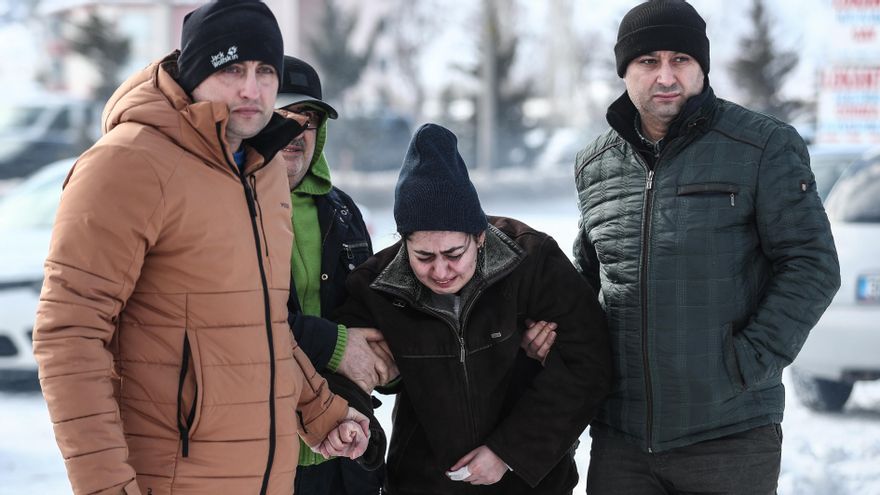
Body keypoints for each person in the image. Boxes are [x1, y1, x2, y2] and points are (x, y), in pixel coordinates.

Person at [32, 2, 368, 494]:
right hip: (169, 478)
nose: (252, 89)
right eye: (232, 68)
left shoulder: (264, 170)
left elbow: (260, 323)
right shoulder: (127, 164)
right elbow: (69, 338)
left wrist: (320, 411)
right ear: (192, 73)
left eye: (265, 71)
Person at [571, 1, 841, 493]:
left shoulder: (762, 146)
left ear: (702, 66)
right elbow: (589, 280)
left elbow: (812, 265)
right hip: (622, 442)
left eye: (681, 59)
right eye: (648, 62)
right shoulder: (595, 165)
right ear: (625, 71)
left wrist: (747, 362)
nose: (666, 76)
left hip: (729, 437)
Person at [333, 123, 613, 493]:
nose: (441, 271)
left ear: (479, 236)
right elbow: (346, 374)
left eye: (453, 254)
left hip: (531, 481)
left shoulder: (532, 261)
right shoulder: (376, 287)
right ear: (404, 243)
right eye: (423, 257)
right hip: (425, 481)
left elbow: (590, 361)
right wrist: (351, 420)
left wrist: (509, 452)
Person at [271, 55, 391, 494]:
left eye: (308, 118)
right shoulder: (230, 208)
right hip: (264, 454)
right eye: (282, 117)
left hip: (346, 446)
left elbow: (373, 306)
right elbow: (242, 320)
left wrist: (388, 359)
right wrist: (339, 346)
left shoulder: (341, 209)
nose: (296, 132)